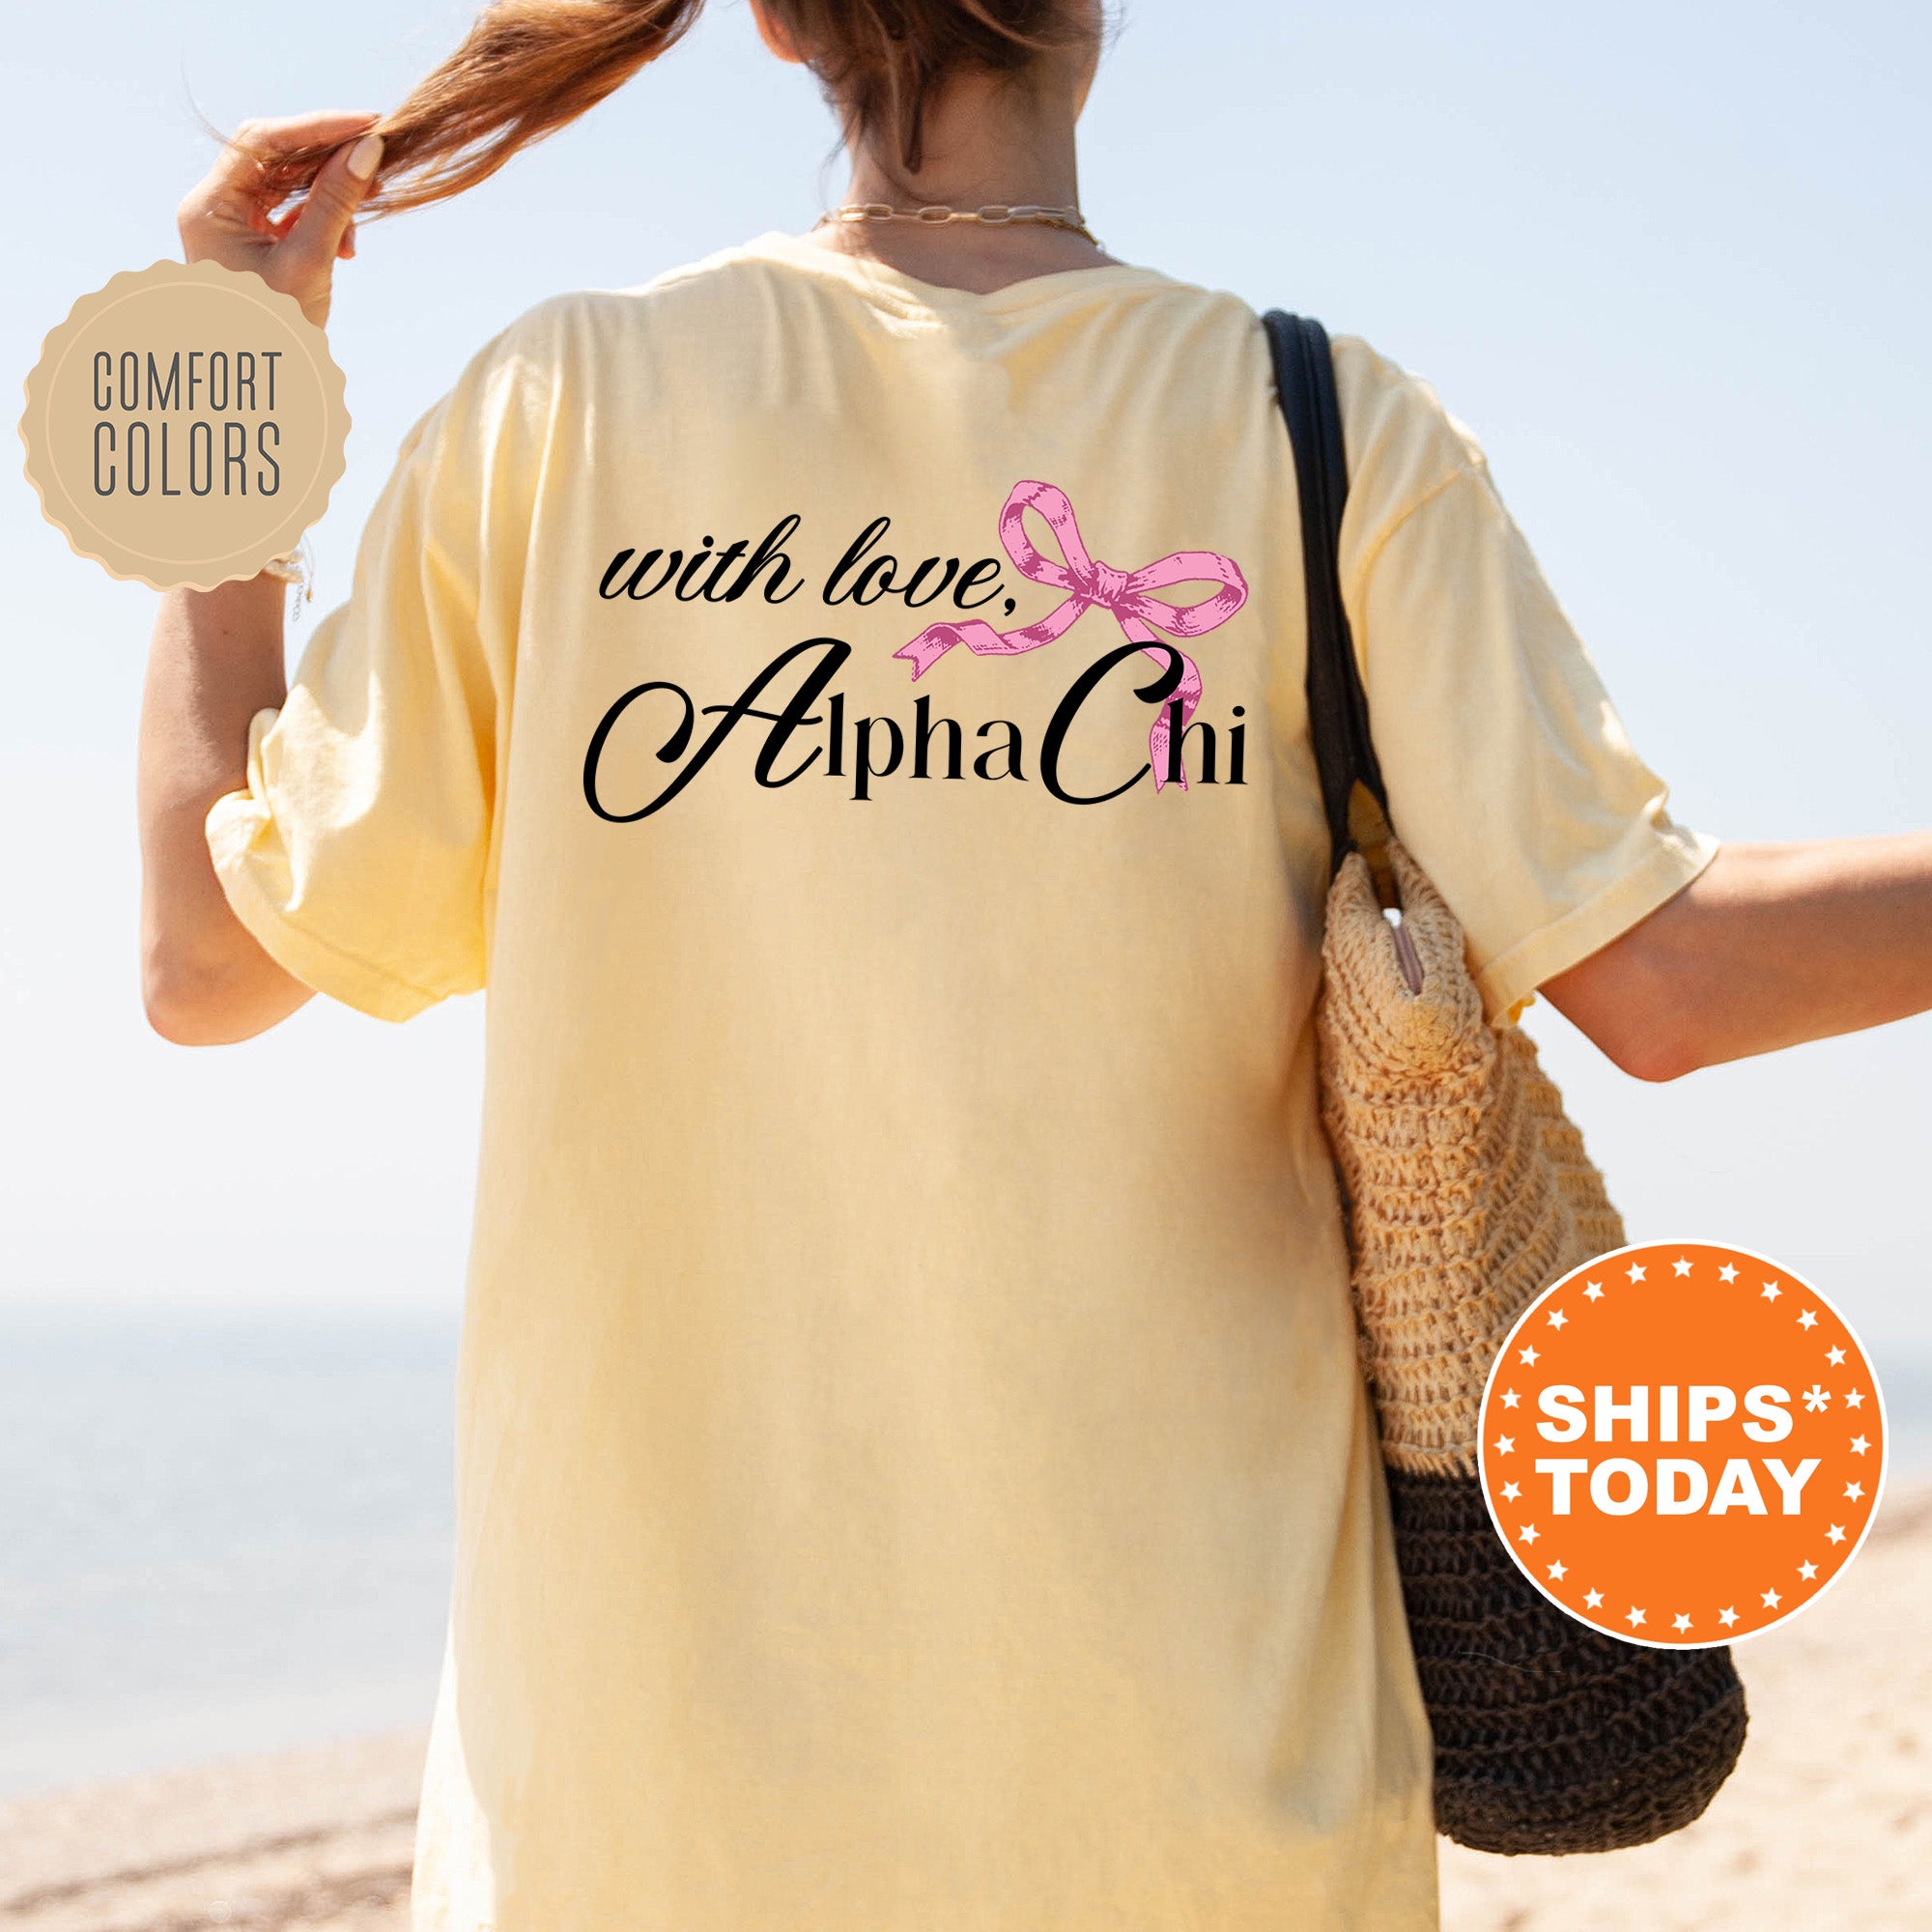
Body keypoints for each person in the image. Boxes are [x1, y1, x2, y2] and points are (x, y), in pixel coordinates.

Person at [138, 4, 1932, 1928]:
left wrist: (232, 384)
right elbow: (1661, 982)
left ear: (766, 22)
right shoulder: (1316, 428)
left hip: (637, 1808)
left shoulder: (560, 404)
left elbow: (206, 963)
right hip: (1205, 1787)